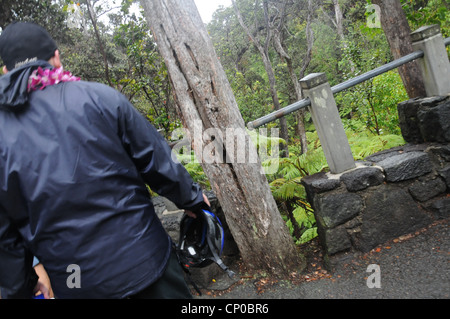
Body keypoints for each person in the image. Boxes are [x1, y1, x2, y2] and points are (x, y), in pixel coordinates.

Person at [0, 21, 209, 299]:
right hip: (145, 263)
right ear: (56, 57)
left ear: (6, 71)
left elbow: (5, 234)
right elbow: (158, 162)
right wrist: (193, 200)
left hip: (77, 282)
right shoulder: (101, 98)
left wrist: (21, 287)